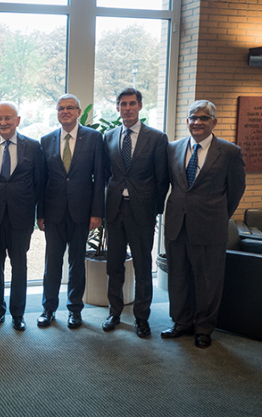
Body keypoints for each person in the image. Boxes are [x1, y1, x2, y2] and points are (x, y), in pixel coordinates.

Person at [162, 100, 246, 349]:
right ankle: (181, 322)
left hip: (210, 226)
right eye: (193, 117)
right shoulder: (173, 148)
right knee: (178, 277)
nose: (197, 122)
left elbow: (235, 191)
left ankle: (203, 328)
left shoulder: (230, 152)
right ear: (187, 121)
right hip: (177, 224)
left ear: (214, 122)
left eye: (204, 118)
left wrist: (217, 214)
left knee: (208, 280)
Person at [102, 87, 169, 338]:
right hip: (115, 211)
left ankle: (142, 317)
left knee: (142, 267)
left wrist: (155, 209)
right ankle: (114, 312)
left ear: (140, 106)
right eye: (122, 104)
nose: (127, 108)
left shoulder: (156, 138)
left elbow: (163, 179)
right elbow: (105, 174)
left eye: (132, 103)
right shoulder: (108, 137)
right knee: (114, 266)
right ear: (117, 108)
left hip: (142, 211)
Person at [36, 94, 104, 329]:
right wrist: (40, 214)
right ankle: (49, 309)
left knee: (77, 263)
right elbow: (41, 181)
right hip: (53, 214)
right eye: (60, 108)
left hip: (81, 213)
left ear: (78, 111)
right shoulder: (46, 140)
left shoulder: (94, 138)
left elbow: (99, 178)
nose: (65, 112)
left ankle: (75, 310)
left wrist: (97, 212)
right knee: (52, 264)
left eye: (69, 108)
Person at [0, 101, 45, 331]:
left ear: (17, 121)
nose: (3, 122)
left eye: (8, 118)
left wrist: (34, 210)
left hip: (20, 217)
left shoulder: (33, 147)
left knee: (20, 266)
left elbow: (39, 183)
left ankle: (18, 314)